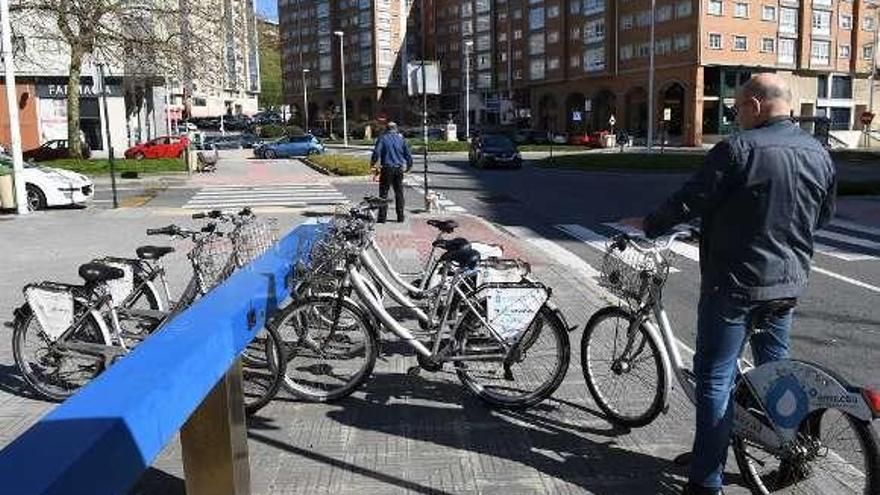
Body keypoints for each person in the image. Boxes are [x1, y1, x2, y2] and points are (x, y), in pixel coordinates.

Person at [624, 74, 836, 495]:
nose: (735, 114)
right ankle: (791, 458)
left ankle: (706, 480)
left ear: (755, 105)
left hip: (734, 286)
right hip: (788, 283)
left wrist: (649, 225)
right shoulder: (818, 152)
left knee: (715, 379)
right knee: (776, 376)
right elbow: (823, 216)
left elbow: (691, 199)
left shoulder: (738, 148)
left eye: (737, 107)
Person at [370, 122, 413, 223]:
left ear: (386, 129)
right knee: (399, 193)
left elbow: (376, 152)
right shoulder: (401, 139)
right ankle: (400, 217)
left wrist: (372, 163)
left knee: (383, 193)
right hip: (398, 169)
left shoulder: (383, 138)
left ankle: (382, 218)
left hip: (387, 169)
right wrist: (409, 166)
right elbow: (408, 154)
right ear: (396, 129)